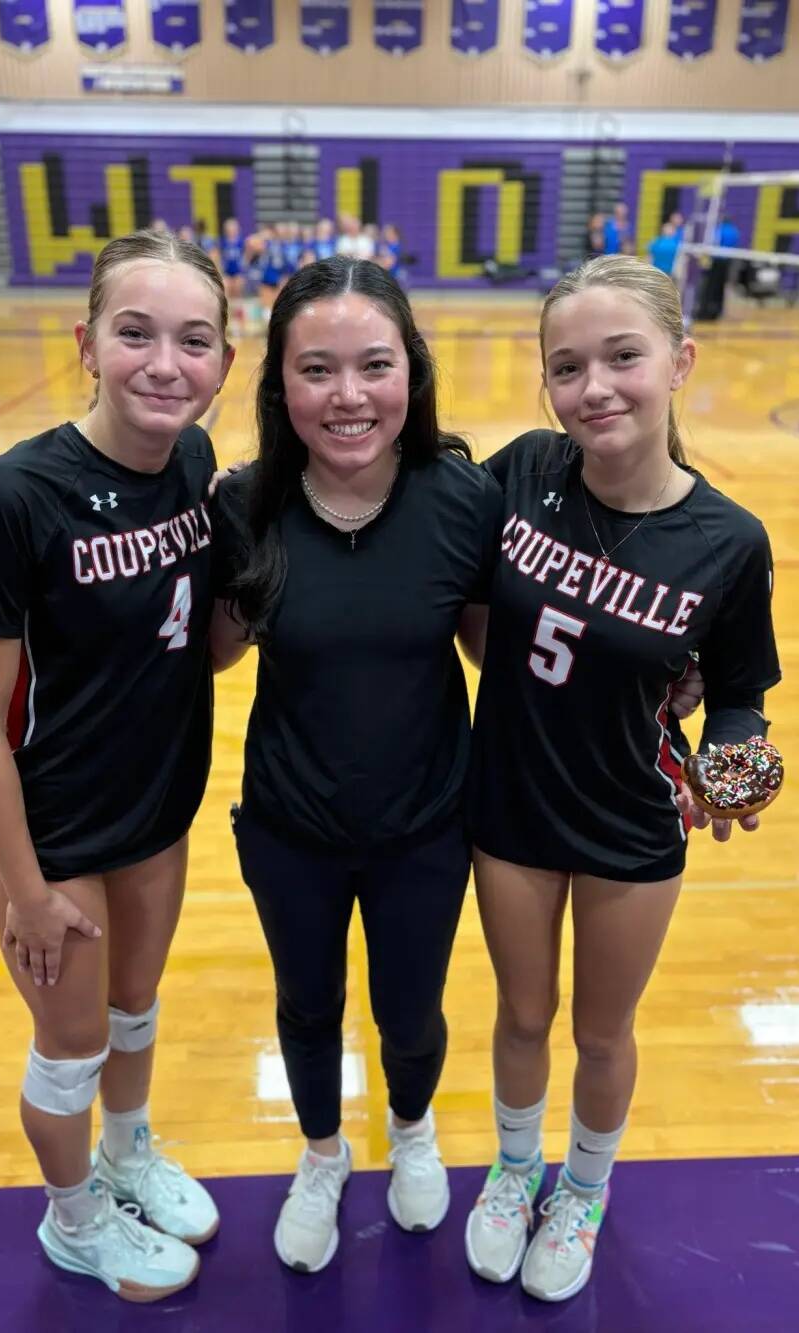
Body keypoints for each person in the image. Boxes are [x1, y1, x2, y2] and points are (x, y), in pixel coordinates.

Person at [462, 255, 780, 1303]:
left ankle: (583, 1191)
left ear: (679, 361)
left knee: (602, 1031)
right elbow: (452, 590)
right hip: (507, 804)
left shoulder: (727, 541)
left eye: (621, 357)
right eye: (566, 365)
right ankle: (514, 1173)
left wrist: (738, 766)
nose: (592, 385)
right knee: (519, 1014)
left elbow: (737, 694)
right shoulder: (518, 473)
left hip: (630, 823)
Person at [0, 229, 235, 1302]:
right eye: (136, 333)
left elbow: (200, 640)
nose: (165, 363)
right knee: (68, 1042)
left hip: (155, 807)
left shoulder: (196, 465)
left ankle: (127, 1152)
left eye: (193, 340)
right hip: (51, 826)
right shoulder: (13, 494)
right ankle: (73, 1222)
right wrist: (21, 883)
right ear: (86, 343)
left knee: (133, 1009)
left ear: (224, 362)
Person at [208, 256, 505, 1275]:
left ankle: (413, 1129)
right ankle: (323, 1153)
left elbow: (488, 652)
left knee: (410, 1008)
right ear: (279, 384)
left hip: (426, 824)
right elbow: (207, 651)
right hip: (290, 827)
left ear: (411, 374)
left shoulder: (461, 497)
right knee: (306, 1004)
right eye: (316, 369)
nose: (347, 396)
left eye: (373, 365)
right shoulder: (242, 504)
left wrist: (659, 681)